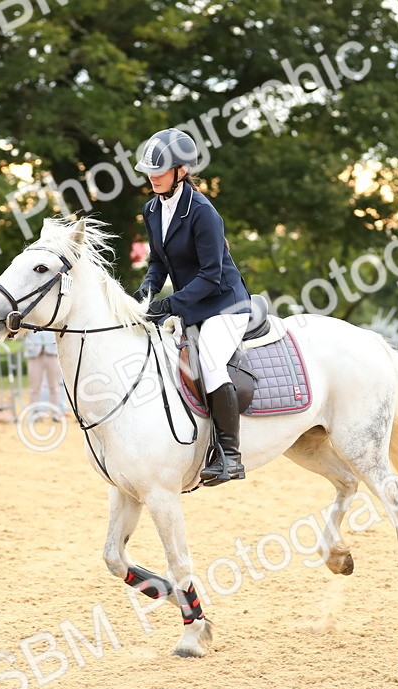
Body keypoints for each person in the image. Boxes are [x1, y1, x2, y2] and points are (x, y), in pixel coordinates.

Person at [132, 127, 252, 486]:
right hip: (191, 305)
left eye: (160, 171)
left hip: (225, 305)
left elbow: (211, 276)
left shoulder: (203, 213)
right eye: (150, 171)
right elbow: (158, 260)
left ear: (181, 171)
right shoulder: (152, 208)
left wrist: (170, 304)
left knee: (212, 365)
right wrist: (146, 292)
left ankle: (230, 456)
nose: (153, 177)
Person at [24, 328, 65, 419]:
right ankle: (34, 413)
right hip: (34, 354)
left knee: (54, 386)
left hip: (52, 353)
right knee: (34, 387)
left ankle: (56, 413)